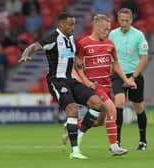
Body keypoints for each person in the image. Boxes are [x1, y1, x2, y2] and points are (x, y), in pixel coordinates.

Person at [19, 13, 109, 160]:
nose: (73, 27)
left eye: (73, 24)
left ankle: (78, 133)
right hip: (57, 81)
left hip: (71, 80)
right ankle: (75, 151)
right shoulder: (52, 38)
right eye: (70, 24)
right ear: (61, 25)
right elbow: (33, 46)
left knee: (97, 104)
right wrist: (26, 54)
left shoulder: (72, 38)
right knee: (72, 110)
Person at [74, 14, 136, 156]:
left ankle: (73, 128)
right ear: (96, 26)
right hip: (95, 86)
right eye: (105, 29)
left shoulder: (109, 44)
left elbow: (116, 65)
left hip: (107, 85)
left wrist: (126, 81)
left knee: (98, 122)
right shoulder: (83, 44)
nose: (107, 32)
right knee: (112, 110)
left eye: (109, 29)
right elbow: (77, 65)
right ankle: (114, 146)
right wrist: (86, 81)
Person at [109, 8, 148, 150]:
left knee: (138, 107)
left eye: (127, 20)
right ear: (118, 20)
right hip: (119, 75)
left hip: (134, 75)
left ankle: (143, 141)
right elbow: (110, 55)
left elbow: (144, 58)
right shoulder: (112, 34)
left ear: (131, 20)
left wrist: (133, 77)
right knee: (118, 103)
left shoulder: (138, 35)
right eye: (121, 20)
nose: (124, 23)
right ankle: (117, 142)